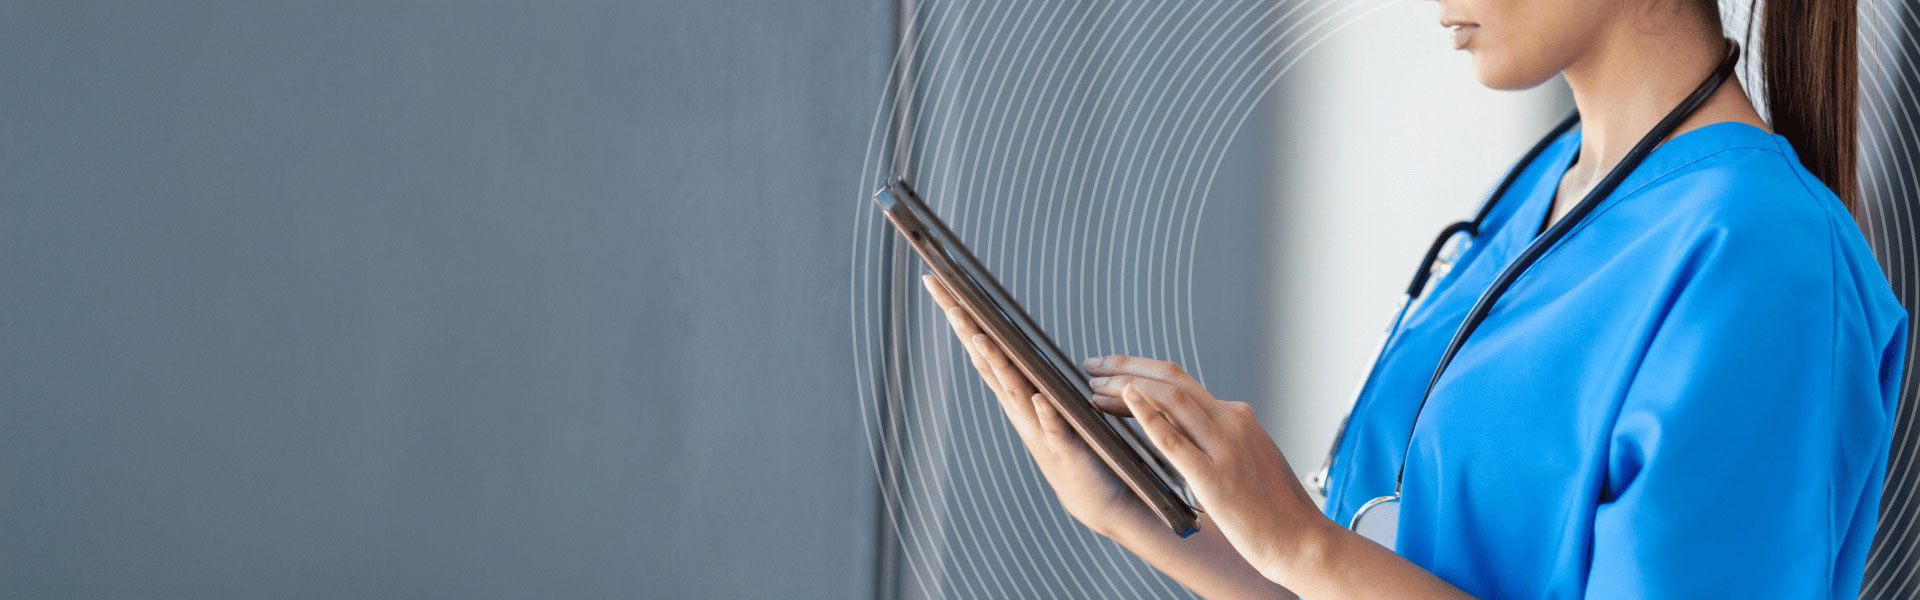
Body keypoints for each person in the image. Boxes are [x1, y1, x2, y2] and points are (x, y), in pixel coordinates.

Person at [920, 0, 1909, 596]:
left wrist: (1303, 546)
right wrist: (1155, 518)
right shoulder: (1545, 188)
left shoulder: (1767, 260)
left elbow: (1332, 569)